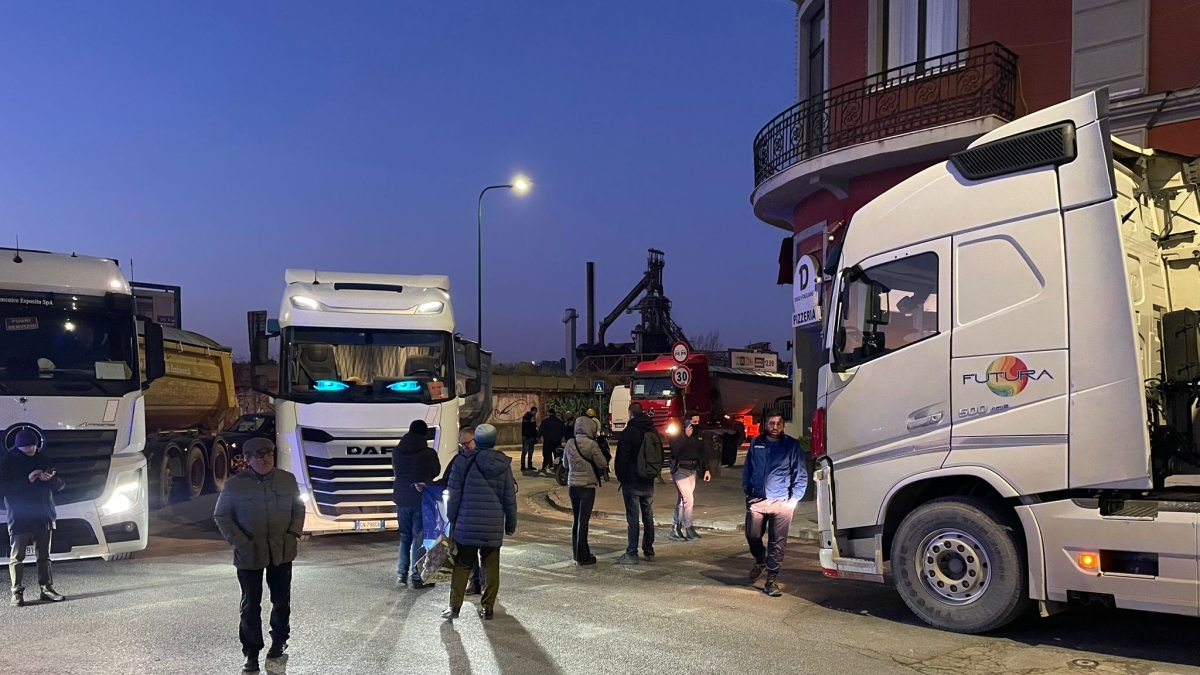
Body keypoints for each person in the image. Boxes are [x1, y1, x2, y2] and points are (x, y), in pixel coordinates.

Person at [214, 438, 305, 673]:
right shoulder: (235, 485)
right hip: (249, 554)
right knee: (250, 605)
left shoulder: (287, 480)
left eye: (268, 454)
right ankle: (251, 652)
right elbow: (222, 516)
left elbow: (298, 508)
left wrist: (293, 533)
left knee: (281, 600)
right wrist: (241, 542)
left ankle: (279, 640)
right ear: (247, 459)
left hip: (281, 551)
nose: (265, 459)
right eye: (259, 455)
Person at [442, 424, 517, 621]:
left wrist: (451, 519)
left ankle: (454, 607)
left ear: (476, 440)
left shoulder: (462, 461)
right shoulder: (503, 464)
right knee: (491, 566)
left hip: (466, 523)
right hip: (492, 525)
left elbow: (453, 494)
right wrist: (510, 524)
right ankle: (488, 608)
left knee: (462, 564)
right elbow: (509, 497)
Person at [742, 412, 807, 598]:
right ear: (766, 424)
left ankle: (771, 579)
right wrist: (747, 489)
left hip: (782, 502)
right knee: (752, 535)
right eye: (772, 423)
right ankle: (760, 559)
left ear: (783, 426)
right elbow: (748, 467)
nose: (775, 427)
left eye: (779, 423)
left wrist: (794, 499)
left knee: (777, 542)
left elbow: (800, 473)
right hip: (757, 500)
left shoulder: (791, 445)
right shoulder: (757, 443)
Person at [1, 428, 66, 607]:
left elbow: (61, 485)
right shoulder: (7, 462)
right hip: (19, 516)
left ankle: (46, 588)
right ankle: (16, 592)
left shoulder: (44, 459)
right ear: (18, 446)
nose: (31, 449)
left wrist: (50, 479)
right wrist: (27, 480)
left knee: (44, 555)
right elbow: (2, 488)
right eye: (26, 447)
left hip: (43, 514)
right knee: (17, 557)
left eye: (33, 446)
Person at [392, 419, 439, 589]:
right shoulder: (428, 453)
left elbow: (397, 471)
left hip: (401, 499)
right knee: (418, 538)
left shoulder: (397, 451)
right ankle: (417, 576)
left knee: (405, 537)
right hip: (420, 499)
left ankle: (401, 575)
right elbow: (436, 471)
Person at [613, 402, 658, 565]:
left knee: (633, 517)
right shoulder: (652, 430)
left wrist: (622, 477)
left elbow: (622, 458)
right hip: (648, 480)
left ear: (630, 413)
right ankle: (649, 550)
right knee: (648, 515)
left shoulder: (629, 432)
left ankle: (632, 553)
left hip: (632, 481)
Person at [562, 415, 608, 566]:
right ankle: (583, 556)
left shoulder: (570, 443)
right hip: (587, 487)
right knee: (584, 521)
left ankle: (576, 553)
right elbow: (602, 463)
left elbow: (565, 464)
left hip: (572, 486)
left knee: (576, 519)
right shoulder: (592, 445)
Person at [668, 411, 711, 542]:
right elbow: (675, 451)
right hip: (680, 469)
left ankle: (676, 528)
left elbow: (703, 452)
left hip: (693, 470)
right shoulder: (678, 433)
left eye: (698, 421)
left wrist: (706, 469)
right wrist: (686, 437)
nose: (696, 424)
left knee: (683, 500)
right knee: (689, 499)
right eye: (694, 422)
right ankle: (688, 527)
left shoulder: (699, 433)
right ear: (687, 421)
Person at [537, 409, 567, 476]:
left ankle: (545, 466)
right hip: (557, 441)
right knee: (557, 455)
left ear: (549, 413)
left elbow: (541, 429)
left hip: (548, 440)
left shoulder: (545, 421)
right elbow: (563, 431)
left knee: (546, 454)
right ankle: (557, 467)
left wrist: (538, 437)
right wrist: (560, 437)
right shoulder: (559, 421)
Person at [520, 406, 539, 474]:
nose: (535, 413)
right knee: (525, 451)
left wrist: (536, 436)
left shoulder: (533, 417)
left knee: (531, 451)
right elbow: (525, 425)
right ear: (531, 411)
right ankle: (522, 466)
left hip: (531, 437)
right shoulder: (526, 416)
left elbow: (534, 428)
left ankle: (529, 465)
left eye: (536, 412)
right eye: (534, 411)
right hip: (526, 437)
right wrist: (530, 421)